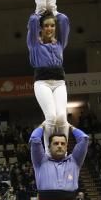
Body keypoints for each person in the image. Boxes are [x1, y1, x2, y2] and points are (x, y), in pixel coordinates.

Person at [29, 120, 88, 200]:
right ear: (49, 147)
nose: (60, 146)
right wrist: (43, 125)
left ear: (67, 146)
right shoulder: (40, 161)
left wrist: (69, 126)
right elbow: (35, 140)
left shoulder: (74, 161)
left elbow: (84, 139)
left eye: (63, 143)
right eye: (56, 143)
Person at [27, 11, 72, 148]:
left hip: (59, 83)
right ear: (41, 28)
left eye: (52, 25)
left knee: (62, 118)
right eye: (46, 25)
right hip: (42, 83)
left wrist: (54, 11)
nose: (50, 29)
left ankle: (63, 150)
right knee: (51, 117)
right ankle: (48, 151)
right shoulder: (34, 44)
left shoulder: (60, 43)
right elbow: (32, 21)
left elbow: (64, 20)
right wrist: (39, 12)